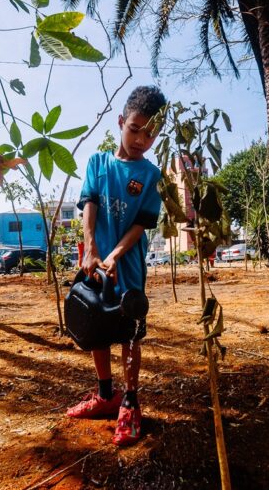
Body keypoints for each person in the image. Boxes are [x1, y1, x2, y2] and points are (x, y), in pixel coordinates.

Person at [65, 85, 166, 447]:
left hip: (129, 268)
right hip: (94, 264)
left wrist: (115, 255)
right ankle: (105, 394)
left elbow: (141, 225)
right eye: (135, 128)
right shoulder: (98, 164)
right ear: (121, 122)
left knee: (129, 332)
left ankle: (130, 402)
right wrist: (91, 250)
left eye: (150, 133)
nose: (141, 139)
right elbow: (89, 204)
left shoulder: (152, 175)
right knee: (95, 322)